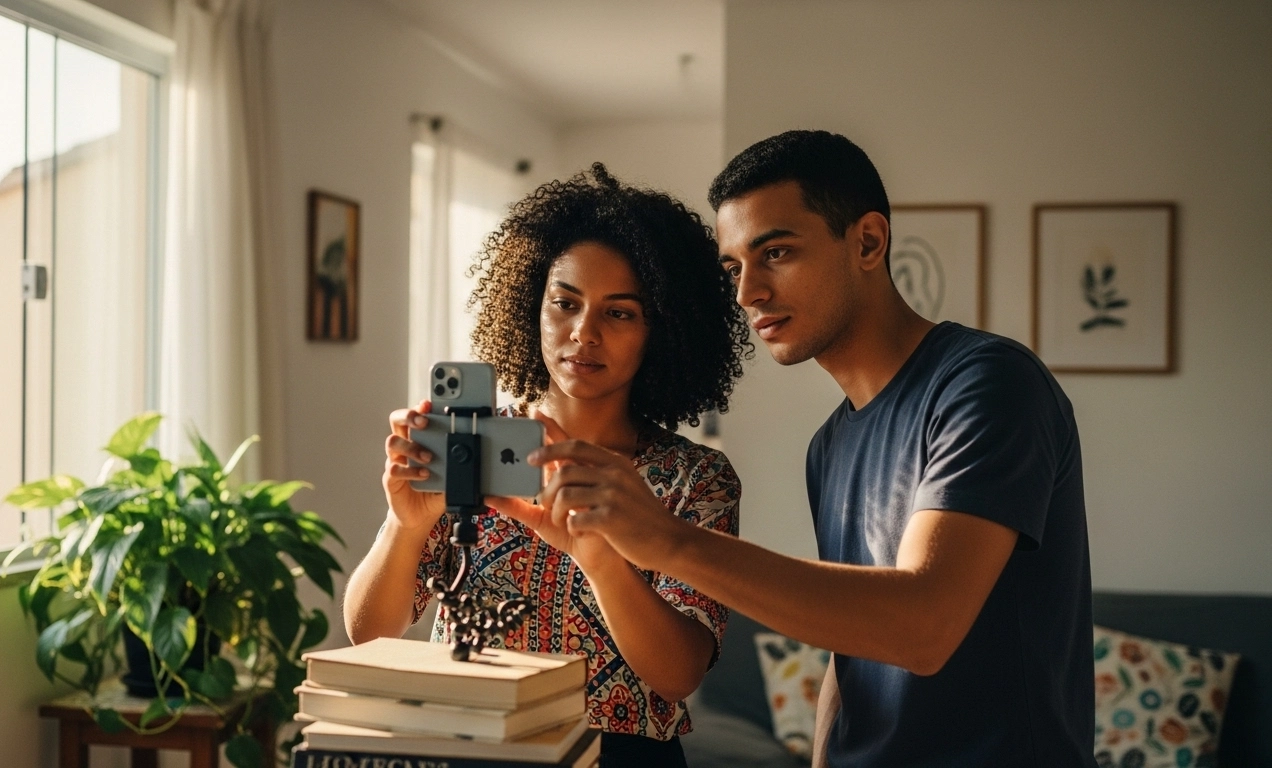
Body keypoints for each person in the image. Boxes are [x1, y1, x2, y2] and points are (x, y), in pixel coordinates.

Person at [508, 132, 1097, 768]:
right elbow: (853, 653)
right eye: (733, 268)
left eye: (776, 253)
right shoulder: (831, 444)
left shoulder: (987, 384)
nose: (748, 293)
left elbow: (922, 627)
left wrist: (668, 541)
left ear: (868, 242)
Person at [343, 164, 753, 767]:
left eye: (620, 313)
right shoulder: (469, 446)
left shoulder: (697, 481)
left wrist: (600, 559)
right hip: (466, 749)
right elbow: (370, 634)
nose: (583, 332)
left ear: (662, 329)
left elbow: (677, 675)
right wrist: (402, 526)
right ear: (531, 306)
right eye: (565, 303)